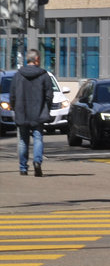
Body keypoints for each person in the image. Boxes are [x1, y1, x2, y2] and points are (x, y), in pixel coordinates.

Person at [13, 49, 54, 177]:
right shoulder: (44, 75)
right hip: (38, 112)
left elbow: (12, 96)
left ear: (27, 60)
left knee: (23, 141)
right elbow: (49, 95)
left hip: (22, 112)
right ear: (36, 60)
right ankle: (37, 162)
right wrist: (46, 108)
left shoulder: (18, 75)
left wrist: (16, 108)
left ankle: (23, 168)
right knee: (38, 138)